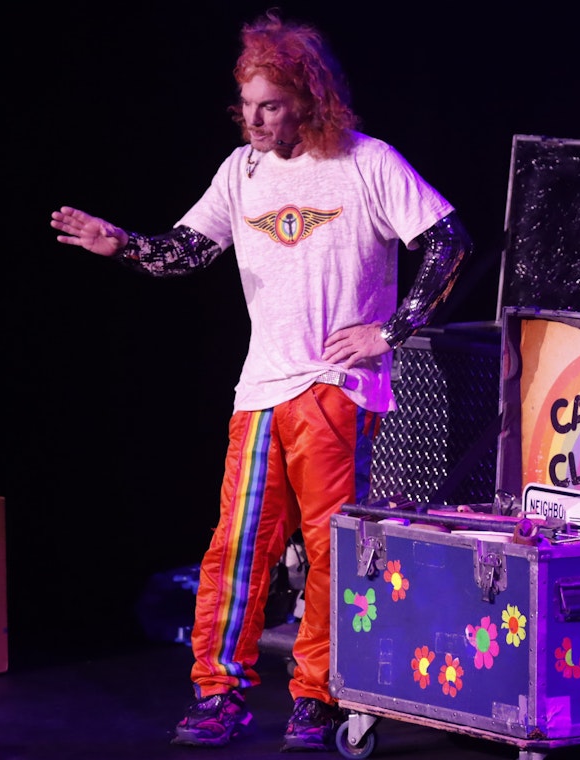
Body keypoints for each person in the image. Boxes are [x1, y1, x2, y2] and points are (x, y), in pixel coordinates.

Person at [50, 10, 470, 752]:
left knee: (328, 546)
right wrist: (121, 246)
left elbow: (448, 242)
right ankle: (219, 690)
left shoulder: (367, 163)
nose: (255, 121)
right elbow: (184, 251)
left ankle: (317, 695)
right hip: (260, 390)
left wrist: (391, 330)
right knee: (237, 542)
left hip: (335, 387)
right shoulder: (240, 171)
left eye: (269, 105)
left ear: (307, 95)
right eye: (246, 107)